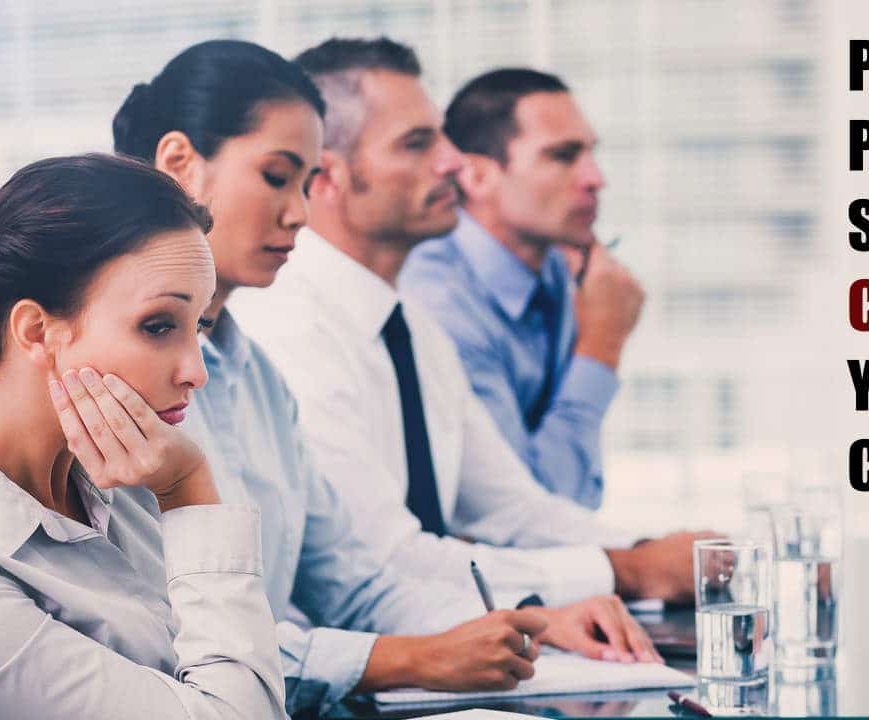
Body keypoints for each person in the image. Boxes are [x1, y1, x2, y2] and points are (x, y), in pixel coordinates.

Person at [113, 39, 655, 715]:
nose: (299, 214)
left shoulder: (257, 377)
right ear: (180, 165)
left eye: (304, 183)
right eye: (278, 178)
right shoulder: (116, 378)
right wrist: (411, 657)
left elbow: (356, 583)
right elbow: (162, 639)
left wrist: (531, 618)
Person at [236, 37, 713, 620]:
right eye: (417, 144)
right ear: (326, 177)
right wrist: (628, 570)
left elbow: (513, 510)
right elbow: (382, 565)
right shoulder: (288, 328)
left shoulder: (408, 323)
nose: (454, 163)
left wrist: (660, 552)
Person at [0, 154, 288, 719]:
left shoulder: (121, 458)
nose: (195, 371)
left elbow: (228, 657)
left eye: (198, 325)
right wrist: (188, 491)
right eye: (158, 327)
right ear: (36, 331)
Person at [399, 68, 644, 510]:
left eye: (590, 154)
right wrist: (602, 346)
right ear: (475, 177)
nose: (595, 178)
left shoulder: (559, 269)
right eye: (563, 156)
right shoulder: (440, 305)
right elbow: (528, 510)